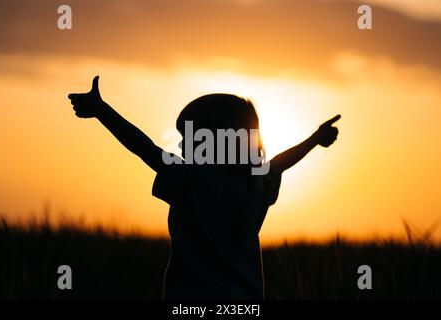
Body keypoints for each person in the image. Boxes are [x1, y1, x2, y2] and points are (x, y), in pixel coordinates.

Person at [68, 76, 340, 299]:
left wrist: (102, 111)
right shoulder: (257, 182)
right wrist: (315, 138)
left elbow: (143, 147)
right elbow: (281, 162)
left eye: (190, 137)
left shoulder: (192, 181)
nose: (183, 145)